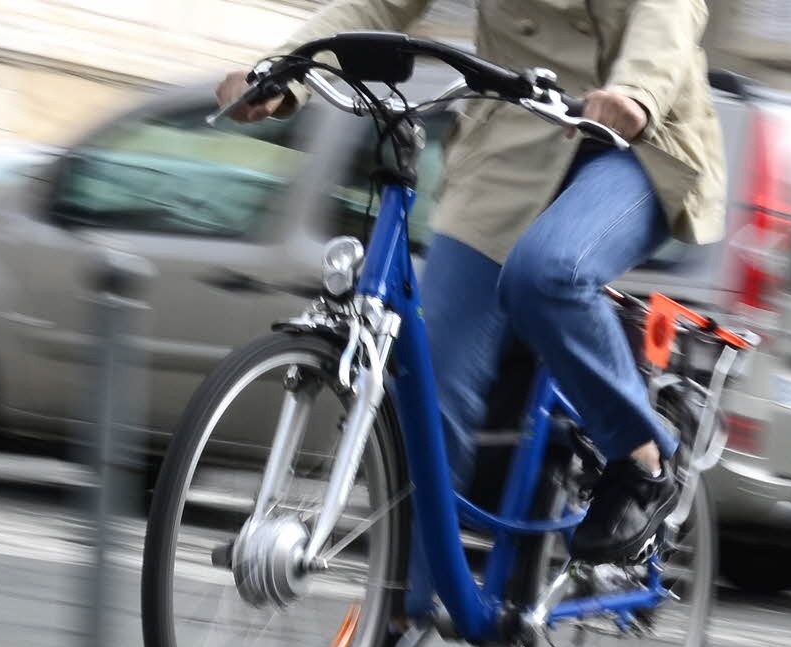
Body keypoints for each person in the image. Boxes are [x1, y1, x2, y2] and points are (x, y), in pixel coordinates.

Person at [218, 0, 725, 563]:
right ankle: (402, 603)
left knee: (547, 273)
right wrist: (281, 70)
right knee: (427, 393)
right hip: (512, 144)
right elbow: (379, 5)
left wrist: (635, 92)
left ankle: (641, 456)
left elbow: (664, 11)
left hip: (634, 144)